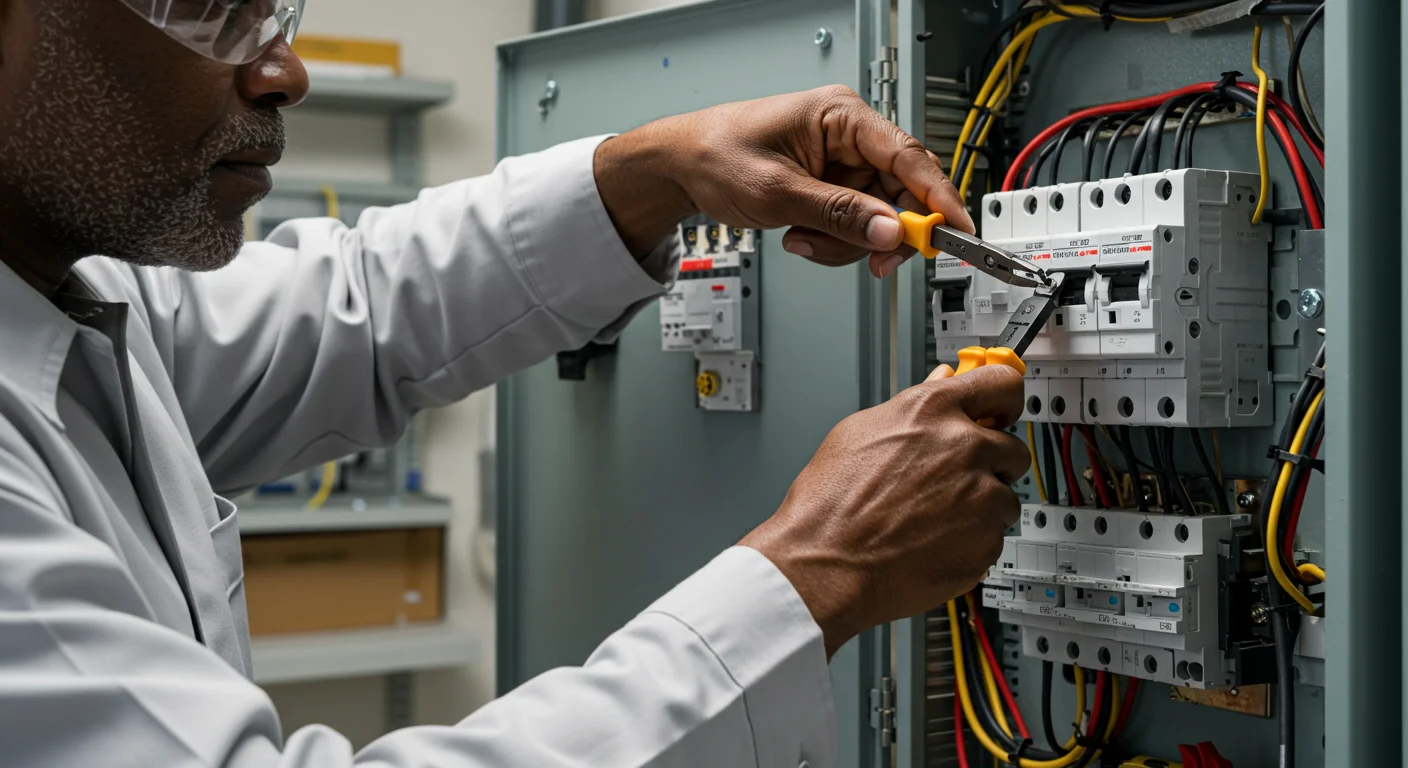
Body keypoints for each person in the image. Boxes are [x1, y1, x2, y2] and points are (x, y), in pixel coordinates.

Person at [0, 1, 1030, 766]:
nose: (282, 71)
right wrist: (814, 575)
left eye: (276, 9)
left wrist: (657, 173)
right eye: (211, 10)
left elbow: (354, 309)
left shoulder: (71, 290)